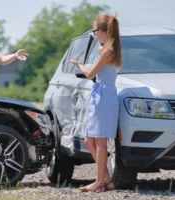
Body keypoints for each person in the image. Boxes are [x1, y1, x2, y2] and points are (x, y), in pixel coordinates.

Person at [69, 13, 122, 192]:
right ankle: (106, 178)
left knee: (100, 142)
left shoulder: (108, 51)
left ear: (102, 31)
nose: (95, 34)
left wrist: (80, 65)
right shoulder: (106, 49)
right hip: (101, 94)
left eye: (95, 30)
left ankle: (100, 182)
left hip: (104, 96)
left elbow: (91, 74)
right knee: (88, 140)